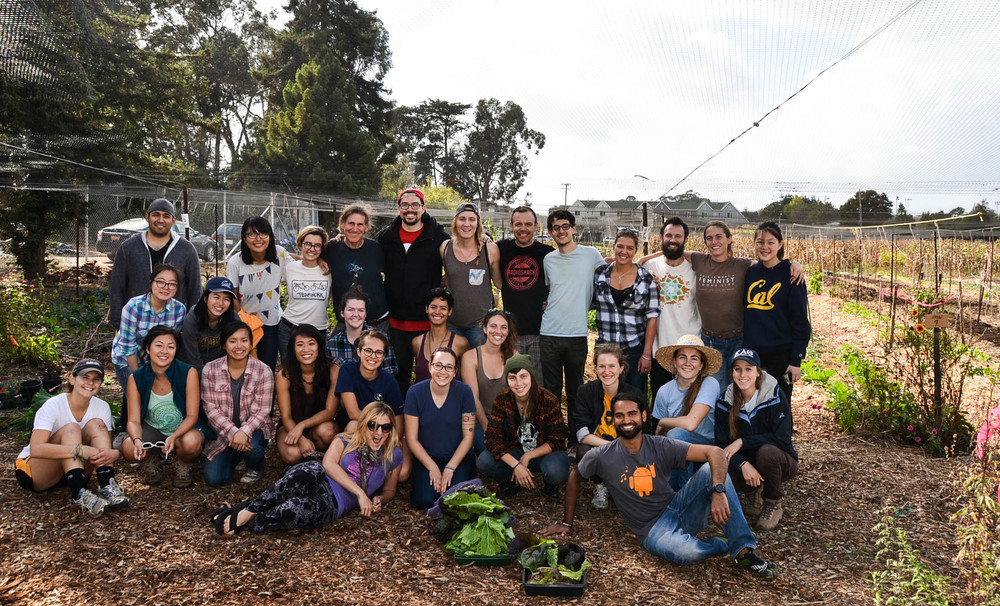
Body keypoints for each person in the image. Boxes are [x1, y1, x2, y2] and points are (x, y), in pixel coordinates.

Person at [539, 391, 778, 580]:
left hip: (679, 508)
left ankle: (743, 551)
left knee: (713, 471)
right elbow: (574, 476)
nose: (626, 420)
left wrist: (718, 491)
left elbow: (715, 452)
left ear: (643, 416)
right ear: (613, 421)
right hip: (651, 529)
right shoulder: (602, 456)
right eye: (620, 416)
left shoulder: (661, 445)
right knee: (687, 553)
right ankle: (718, 545)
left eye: (632, 414)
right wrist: (566, 522)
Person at [638, 220, 806, 388]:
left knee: (739, 391)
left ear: (729, 239)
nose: (714, 242)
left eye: (719, 237)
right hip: (710, 341)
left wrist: (792, 265)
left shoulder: (742, 266)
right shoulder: (699, 260)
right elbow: (674, 248)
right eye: (709, 238)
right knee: (715, 391)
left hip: (738, 340)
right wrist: (643, 259)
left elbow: (770, 264)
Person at [212, 401, 403, 535]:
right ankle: (248, 511)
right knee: (311, 470)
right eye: (373, 426)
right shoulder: (346, 439)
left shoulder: (394, 454)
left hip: (335, 503)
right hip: (318, 479)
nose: (379, 433)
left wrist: (380, 499)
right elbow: (328, 465)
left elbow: (389, 489)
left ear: (391, 429)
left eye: (385, 427)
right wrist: (361, 494)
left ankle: (240, 522)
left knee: (292, 510)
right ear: (363, 425)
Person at [15, 359, 128, 517]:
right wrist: (81, 449)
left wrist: (115, 453)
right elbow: (36, 449)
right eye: (85, 377)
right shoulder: (53, 405)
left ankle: (107, 486)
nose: (90, 383)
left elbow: (103, 449)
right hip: (37, 472)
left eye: (96, 379)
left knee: (97, 424)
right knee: (71, 428)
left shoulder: (102, 407)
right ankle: (80, 494)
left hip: (75, 472)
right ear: (72, 378)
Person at [538, 209, 605, 443]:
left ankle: (578, 439)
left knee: (577, 390)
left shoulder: (591, 255)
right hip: (549, 332)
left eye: (565, 226)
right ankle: (554, 437)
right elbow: (551, 290)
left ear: (574, 229)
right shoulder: (549, 260)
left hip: (577, 333)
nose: (561, 231)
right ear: (550, 233)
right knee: (552, 390)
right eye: (556, 228)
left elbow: (613, 272)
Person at [715, 348, 798, 531]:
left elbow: (782, 438)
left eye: (748, 369)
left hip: (778, 460)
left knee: (767, 453)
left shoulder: (774, 394)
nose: (742, 374)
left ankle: (772, 500)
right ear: (732, 373)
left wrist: (743, 441)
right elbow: (721, 444)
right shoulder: (725, 400)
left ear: (758, 372)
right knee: (720, 467)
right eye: (737, 369)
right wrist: (742, 463)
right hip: (747, 463)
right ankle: (753, 491)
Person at [379, 188, 450, 397]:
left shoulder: (437, 236)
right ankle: (400, 421)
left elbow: (461, 252)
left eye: (415, 205)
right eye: (405, 205)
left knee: (428, 375)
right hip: (396, 322)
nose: (410, 210)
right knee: (398, 375)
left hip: (426, 322)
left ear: (423, 208)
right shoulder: (387, 236)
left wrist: (485, 239)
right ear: (399, 208)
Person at [121, 326, 208, 488]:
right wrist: (137, 439)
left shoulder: (188, 372)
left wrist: (174, 436)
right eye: (159, 345)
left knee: (191, 443)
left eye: (171, 346)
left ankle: (184, 464)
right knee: (128, 446)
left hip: (183, 430)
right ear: (147, 349)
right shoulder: (137, 377)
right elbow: (133, 420)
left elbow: (192, 416)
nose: (164, 351)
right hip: (153, 428)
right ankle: (151, 461)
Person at [477, 354, 569, 499]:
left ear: (531, 376)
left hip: (544, 454)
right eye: (512, 378)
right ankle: (510, 480)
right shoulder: (502, 400)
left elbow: (558, 439)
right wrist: (516, 465)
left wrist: (528, 456)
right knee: (484, 462)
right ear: (507, 380)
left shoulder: (549, 400)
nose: (518, 383)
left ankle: (550, 484)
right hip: (515, 452)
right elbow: (491, 439)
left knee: (556, 472)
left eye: (523, 376)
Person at [111, 263, 187, 428]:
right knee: (134, 393)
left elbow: (170, 343)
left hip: (155, 357)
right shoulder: (133, 306)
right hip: (126, 357)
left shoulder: (179, 310)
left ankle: (157, 430)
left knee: (154, 393)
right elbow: (128, 346)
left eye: (172, 284)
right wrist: (139, 377)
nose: (165, 287)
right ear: (151, 283)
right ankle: (128, 431)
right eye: (160, 282)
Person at [743, 221, 812, 401]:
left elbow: (800, 322)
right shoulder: (750, 273)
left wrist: (796, 360)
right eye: (760, 242)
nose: (764, 247)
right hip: (752, 353)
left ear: (780, 244)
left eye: (770, 242)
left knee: (779, 404)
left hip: (780, 354)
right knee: (752, 403)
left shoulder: (791, 275)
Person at [201, 321, 275, 486]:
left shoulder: (263, 370)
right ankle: (237, 453)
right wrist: (234, 433)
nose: (239, 346)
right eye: (232, 341)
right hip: (222, 432)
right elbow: (211, 410)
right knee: (215, 480)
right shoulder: (210, 370)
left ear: (251, 343)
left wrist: (244, 432)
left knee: (254, 449)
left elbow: (263, 410)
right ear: (224, 345)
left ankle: (256, 466)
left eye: (244, 340)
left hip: (254, 429)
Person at [108, 198, 200, 331]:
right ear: (147, 217)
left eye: (166, 216)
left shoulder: (186, 249)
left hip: (172, 326)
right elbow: (116, 286)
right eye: (156, 214)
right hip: (134, 324)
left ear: (174, 220)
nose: (161, 220)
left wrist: (191, 324)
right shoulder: (128, 248)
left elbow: (195, 290)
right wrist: (118, 321)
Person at [404, 347, 476, 509]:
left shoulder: (464, 392)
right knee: (424, 501)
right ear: (430, 367)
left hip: (458, 458)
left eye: (449, 367)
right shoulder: (415, 393)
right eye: (438, 365)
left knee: (456, 500)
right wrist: (432, 467)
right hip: (428, 457)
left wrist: (450, 467)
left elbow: (468, 437)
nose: (443, 371)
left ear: (455, 371)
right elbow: (412, 439)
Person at [571, 344, 638, 509]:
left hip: (625, 447)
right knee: (583, 451)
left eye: (612, 366)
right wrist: (611, 446)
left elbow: (641, 430)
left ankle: (617, 485)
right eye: (602, 366)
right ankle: (600, 485)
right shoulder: (586, 391)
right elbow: (581, 432)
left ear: (621, 368)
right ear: (596, 368)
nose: (606, 371)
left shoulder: (633, 394)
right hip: (598, 445)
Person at [652, 334, 722, 491]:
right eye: (682, 357)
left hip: (707, 447)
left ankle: (685, 498)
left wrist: (663, 422)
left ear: (701, 365)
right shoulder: (664, 391)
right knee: (671, 442)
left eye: (694, 358)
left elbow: (691, 424)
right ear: (675, 362)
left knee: (677, 436)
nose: (688, 363)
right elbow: (660, 437)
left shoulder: (709, 383)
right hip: (677, 453)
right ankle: (669, 499)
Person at [641, 217, 701, 399]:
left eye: (678, 236)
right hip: (660, 349)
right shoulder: (649, 267)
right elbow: (626, 264)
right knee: (660, 400)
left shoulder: (696, 268)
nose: (673, 240)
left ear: (686, 240)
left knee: (689, 401)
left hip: (690, 347)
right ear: (661, 238)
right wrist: (648, 258)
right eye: (668, 235)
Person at [592, 229, 659, 392]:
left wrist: (646, 354)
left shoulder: (646, 278)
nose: (624, 252)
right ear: (614, 246)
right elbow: (585, 299)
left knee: (634, 397)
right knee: (606, 397)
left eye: (630, 248)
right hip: (604, 349)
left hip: (633, 350)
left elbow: (652, 317)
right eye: (620, 246)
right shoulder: (600, 274)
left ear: (636, 251)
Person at [226, 216, 290, 372]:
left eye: (263, 234)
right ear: (244, 238)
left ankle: (268, 396)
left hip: (271, 324)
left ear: (270, 236)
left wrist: (320, 259)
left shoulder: (279, 254)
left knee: (267, 368)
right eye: (252, 234)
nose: (258, 239)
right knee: (246, 367)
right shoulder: (235, 262)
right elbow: (232, 296)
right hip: (246, 324)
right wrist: (244, 321)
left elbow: (299, 265)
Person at [496, 205, 552, 378]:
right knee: (512, 381)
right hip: (510, 332)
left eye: (528, 224)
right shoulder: (500, 249)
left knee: (537, 383)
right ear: (511, 225)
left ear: (536, 226)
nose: (523, 229)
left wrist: (553, 300)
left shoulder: (547, 254)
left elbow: (561, 283)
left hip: (540, 331)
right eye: (518, 224)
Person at [276, 324, 338, 465]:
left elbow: (330, 411)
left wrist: (302, 426)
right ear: (293, 348)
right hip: (291, 426)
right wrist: (301, 439)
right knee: (292, 454)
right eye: (300, 345)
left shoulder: (333, 369)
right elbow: (286, 417)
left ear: (319, 346)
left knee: (328, 433)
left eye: (311, 343)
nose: (306, 349)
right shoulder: (284, 375)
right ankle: (308, 459)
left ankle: (321, 461)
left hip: (319, 425)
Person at [322, 203, 390, 332]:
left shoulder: (376, 249)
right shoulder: (332, 249)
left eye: (360, 225)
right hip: (346, 324)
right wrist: (320, 259)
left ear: (366, 227)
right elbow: (308, 259)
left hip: (378, 323)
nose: (355, 228)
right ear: (342, 224)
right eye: (351, 223)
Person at [441, 202, 501, 347]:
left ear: (478, 223)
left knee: (479, 367)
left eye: (472, 219)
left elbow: (500, 283)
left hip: (479, 326)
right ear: (455, 222)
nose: (466, 224)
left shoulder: (490, 249)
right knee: (452, 368)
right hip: (451, 324)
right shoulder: (445, 248)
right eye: (462, 219)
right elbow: (445, 280)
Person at [460, 308, 518, 454]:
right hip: (480, 419)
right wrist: (488, 429)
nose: (498, 331)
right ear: (485, 329)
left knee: (512, 451)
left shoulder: (514, 355)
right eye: (493, 326)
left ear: (508, 331)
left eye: (503, 327)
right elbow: (473, 398)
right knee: (489, 454)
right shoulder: (470, 357)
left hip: (508, 420)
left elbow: (521, 394)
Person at [278, 225, 332, 364]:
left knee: (316, 375)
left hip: (318, 331)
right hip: (290, 328)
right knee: (289, 374)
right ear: (300, 244)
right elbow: (275, 253)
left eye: (317, 245)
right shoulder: (289, 267)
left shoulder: (329, 271)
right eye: (308, 244)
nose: (312, 249)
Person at [326, 286, 398, 375]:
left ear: (365, 314)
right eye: (350, 310)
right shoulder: (332, 344)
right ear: (342, 313)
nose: (356, 314)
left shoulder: (381, 339)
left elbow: (389, 374)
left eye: (361, 310)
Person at [178, 276, 238, 372]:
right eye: (216, 297)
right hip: (192, 365)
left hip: (220, 365)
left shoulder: (232, 317)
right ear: (205, 298)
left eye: (226, 299)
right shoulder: (193, 318)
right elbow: (193, 359)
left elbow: (240, 345)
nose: (221, 303)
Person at [411, 288, 469, 384]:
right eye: (433, 307)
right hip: (422, 397)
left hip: (450, 397)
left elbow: (466, 379)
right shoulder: (417, 342)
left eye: (443, 308)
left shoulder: (460, 343)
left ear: (450, 311)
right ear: (427, 309)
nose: (437, 312)